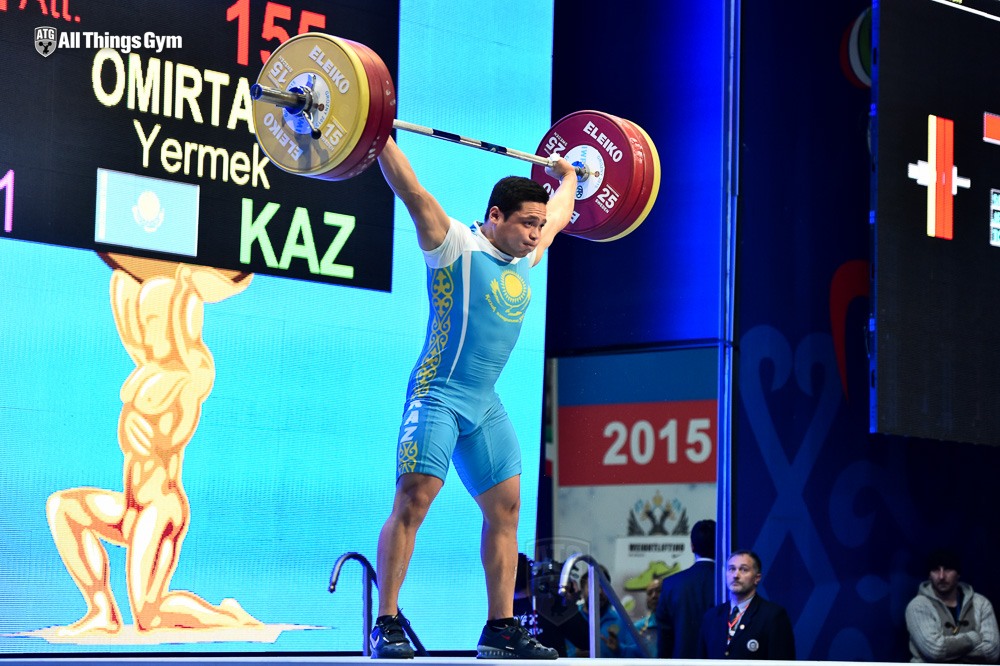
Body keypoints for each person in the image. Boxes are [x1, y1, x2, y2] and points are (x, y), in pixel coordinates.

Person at [369, 137, 577, 659]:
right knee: (414, 499)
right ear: (495, 216)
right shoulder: (454, 244)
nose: (536, 233)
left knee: (507, 509)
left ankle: (500, 628)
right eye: (527, 223)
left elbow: (560, 214)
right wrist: (376, 133)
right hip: (437, 395)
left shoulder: (527, 254)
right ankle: (386, 622)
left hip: (484, 404)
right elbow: (411, 190)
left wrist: (570, 175)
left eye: (538, 225)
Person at [46, 257, 258, 636]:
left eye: (157, 321)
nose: (148, 330)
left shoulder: (188, 376)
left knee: (149, 615)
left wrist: (192, 280)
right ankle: (101, 611)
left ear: (177, 324)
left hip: (160, 508)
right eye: (146, 321)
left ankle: (227, 615)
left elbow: (203, 295)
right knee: (63, 508)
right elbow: (126, 301)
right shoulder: (145, 372)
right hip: (131, 506)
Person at [905, 548, 1000, 663]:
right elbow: (935, 651)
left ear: (958, 574)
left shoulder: (981, 603)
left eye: (948, 569)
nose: (941, 576)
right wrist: (973, 638)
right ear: (929, 575)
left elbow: (992, 652)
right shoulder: (918, 606)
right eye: (935, 570)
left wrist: (949, 654)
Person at [697, 549, 796, 659]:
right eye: (731, 569)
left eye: (744, 569)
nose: (736, 575)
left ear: (757, 578)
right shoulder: (711, 617)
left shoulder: (773, 616)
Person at [655, 518, 717, 658]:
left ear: (692, 546)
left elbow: (664, 638)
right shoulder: (728, 584)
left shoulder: (670, 584)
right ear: (719, 544)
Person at [565, 565, 643, 658]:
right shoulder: (571, 620)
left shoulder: (621, 621)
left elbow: (638, 656)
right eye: (593, 586)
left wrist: (619, 649)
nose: (599, 592)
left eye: (603, 587)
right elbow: (556, 653)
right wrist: (574, 654)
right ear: (582, 590)